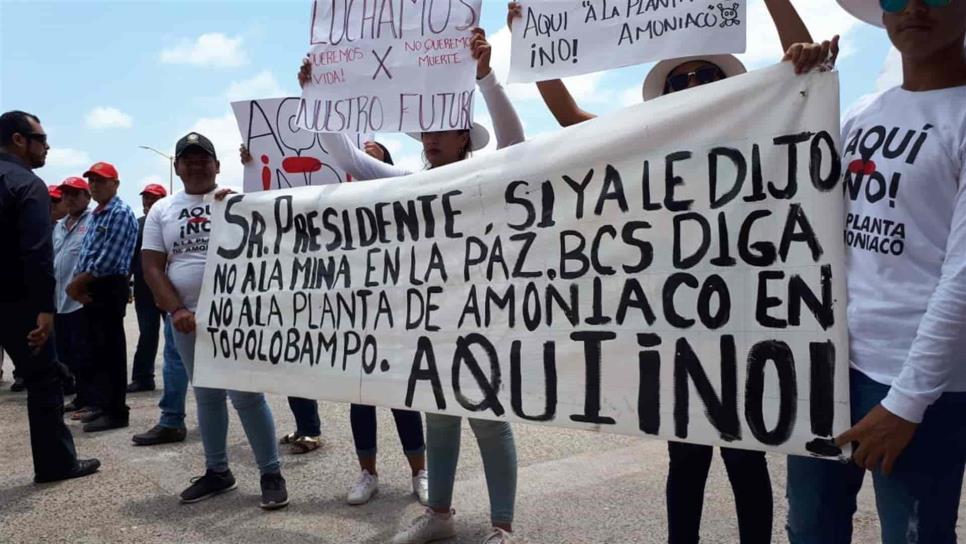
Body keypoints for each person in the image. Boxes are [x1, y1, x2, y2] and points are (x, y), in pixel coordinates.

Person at [505, 2, 816, 542]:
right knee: (687, 458)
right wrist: (533, 40)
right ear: (665, 94)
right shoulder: (653, 141)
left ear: (726, 83)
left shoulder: (757, 128)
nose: (692, 82)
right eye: (680, 79)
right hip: (680, 328)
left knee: (747, 463)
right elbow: (570, 117)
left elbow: (801, 73)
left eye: (704, 75)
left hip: (747, 324)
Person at [302, 27, 524, 544]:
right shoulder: (410, 179)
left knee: (489, 422)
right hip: (432, 320)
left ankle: (503, 526)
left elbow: (514, 140)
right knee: (440, 417)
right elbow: (353, 161)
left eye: (442, 129)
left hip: (484, 316)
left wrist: (486, 78)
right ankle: (441, 516)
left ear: (464, 136)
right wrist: (319, 97)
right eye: (425, 131)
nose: (430, 138)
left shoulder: (490, 171)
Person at [785, 1, 966, 543]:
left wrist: (907, 403)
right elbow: (793, 188)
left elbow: (963, 276)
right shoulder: (863, 110)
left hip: (924, 388)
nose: (912, 8)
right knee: (810, 531)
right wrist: (802, 85)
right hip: (832, 369)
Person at [239, 139, 429, 501]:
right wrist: (253, 171)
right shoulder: (334, 210)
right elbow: (278, 215)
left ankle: (420, 472)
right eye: (357, 159)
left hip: (395, 315)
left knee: (403, 398)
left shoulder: (401, 200)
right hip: (352, 317)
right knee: (361, 397)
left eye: (372, 159)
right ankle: (367, 473)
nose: (361, 165)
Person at [143, 131, 288, 510]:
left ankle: (270, 472)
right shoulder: (162, 210)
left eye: (202, 157)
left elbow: (272, 239)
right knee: (206, 395)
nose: (195, 164)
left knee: (246, 395)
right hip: (187, 320)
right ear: (177, 167)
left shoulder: (235, 200)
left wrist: (247, 190)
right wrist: (176, 310)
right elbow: (153, 267)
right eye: (187, 159)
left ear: (217, 165)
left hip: (236, 315)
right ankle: (217, 471)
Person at [0, 109, 100, 483]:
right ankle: (57, 464)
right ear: (19, 140)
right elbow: (37, 252)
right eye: (41, 139)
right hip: (17, 303)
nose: (46, 147)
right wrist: (45, 309)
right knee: (43, 382)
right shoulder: (27, 185)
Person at [65, 161, 138, 433]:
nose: (95, 185)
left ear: (115, 184)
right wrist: (80, 284)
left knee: (111, 350)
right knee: (96, 349)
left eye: (101, 180)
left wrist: (77, 284)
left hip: (107, 285)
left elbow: (108, 259)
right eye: (92, 181)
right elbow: (89, 254)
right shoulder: (98, 214)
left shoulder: (119, 213)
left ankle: (117, 411)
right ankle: (102, 404)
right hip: (91, 285)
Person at [54, 176, 95, 419]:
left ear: (86, 197)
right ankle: (80, 397)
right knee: (68, 355)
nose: (69, 198)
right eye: (66, 194)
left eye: (75, 193)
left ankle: (91, 399)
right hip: (59, 301)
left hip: (80, 301)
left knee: (86, 355)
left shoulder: (91, 221)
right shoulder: (59, 226)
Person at [128, 183, 168, 392]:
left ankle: (194, 377)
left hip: (169, 287)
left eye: (153, 198)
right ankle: (143, 378)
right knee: (147, 333)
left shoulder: (171, 222)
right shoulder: (137, 224)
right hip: (144, 289)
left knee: (177, 337)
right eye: (146, 198)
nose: (148, 201)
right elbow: (130, 256)